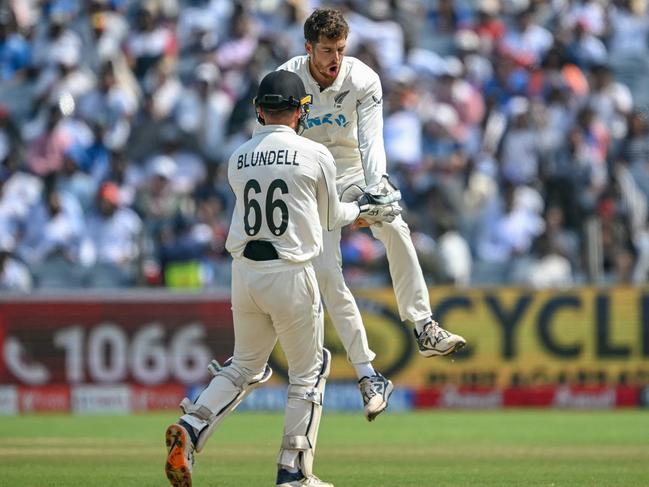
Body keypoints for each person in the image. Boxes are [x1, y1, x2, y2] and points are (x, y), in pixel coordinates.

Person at [163, 70, 401, 487]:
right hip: (291, 272)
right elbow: (330, 217)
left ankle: (192, 423)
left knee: (244, 366)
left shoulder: (237, 156)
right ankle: (293, 472)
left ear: (259, 109)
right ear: (301, 111)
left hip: (245, 274)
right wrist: (365, 210)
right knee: (310, 371)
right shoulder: (314, 154)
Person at [278, 8, 466, 419]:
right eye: (327, 50)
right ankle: (368, 373)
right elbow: (281, 144)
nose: (335, 59)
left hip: (350, 170)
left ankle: (423, 325)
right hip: (307, 178)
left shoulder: (363, 78)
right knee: (328, 274)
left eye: (341, 49)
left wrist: (373, 194)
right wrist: (332, 208)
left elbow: (371, 141)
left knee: (395, 223)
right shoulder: (287, 78)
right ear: (308, 47)